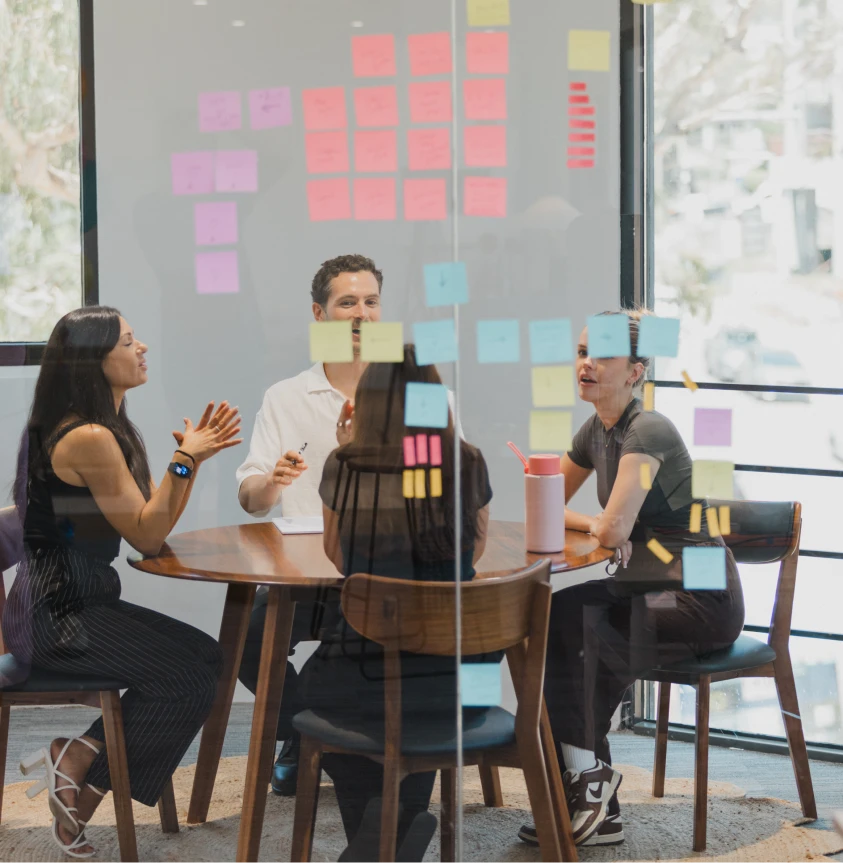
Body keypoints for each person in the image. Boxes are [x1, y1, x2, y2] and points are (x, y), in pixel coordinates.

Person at [5, 306, 241, 858]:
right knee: (186, 678)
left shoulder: (99, 428)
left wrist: (187, 462)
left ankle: (79, 755)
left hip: (77, 602)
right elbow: (148, 536)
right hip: (58, 616)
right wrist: (186, 461)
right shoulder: (87, 436)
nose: (143, 350)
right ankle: (80, 790)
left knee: (208, 659)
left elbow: (146, 527)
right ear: (95, 359)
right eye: (129, 342)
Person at [519, 310, 745, 849]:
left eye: (602, 356)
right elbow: (547, 510)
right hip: (646, 583)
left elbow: (615, 525)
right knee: (560, 620)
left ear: (636, 371)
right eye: (580, 353)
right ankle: (595, 797)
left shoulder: (649, 431)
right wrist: (594, 523)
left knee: (582, 631)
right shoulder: (594, 430)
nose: (586, 364)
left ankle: (589, 793)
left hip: (700, 597)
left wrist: (601, 523)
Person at [295, 346, 495, 863]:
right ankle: (398, 822)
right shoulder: (467, 460)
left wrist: (348, 449)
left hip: (368, 670)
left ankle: (380, 832)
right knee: (416, 699)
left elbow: (340, 558)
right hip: (464, 681)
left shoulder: (345, 465)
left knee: (319, 697)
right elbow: (475, 548)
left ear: (367, 404)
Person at [235, 253, 385, 795]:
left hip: (390, 570)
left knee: (354, 651)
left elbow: (448, 483)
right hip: (308, 572)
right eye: (347, 303)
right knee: (249, 639)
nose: (360, 315)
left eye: (371, 302)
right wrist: (273, 482)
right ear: (319, 316)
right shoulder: (286, 397)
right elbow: (253, 500)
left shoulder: (414, 390)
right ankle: (302, 733)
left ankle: (341, 743)